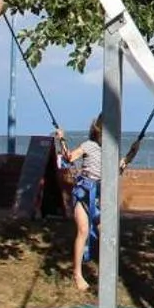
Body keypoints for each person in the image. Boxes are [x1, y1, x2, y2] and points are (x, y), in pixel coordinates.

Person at [55, 119, 107, 293]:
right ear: (98, 132)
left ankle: (106, 273)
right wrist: (62, 139)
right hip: (83, 192)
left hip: (98, 196)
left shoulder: (110, 150)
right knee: (83, 231)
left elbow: (120, 165)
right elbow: (69, 157)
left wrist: (133, 151)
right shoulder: (88, 145)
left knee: (105, 233)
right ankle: (77, 274)